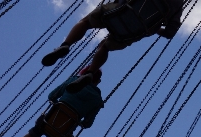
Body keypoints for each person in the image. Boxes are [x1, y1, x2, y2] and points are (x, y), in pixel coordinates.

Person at [41, 0, 184, 93]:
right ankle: (91, 73)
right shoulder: (178, 5)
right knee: (105, 46)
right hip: (133, 32)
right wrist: (154, 27)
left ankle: (66, 45)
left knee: (85, 22)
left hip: (119, 12)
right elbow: (170, 33)